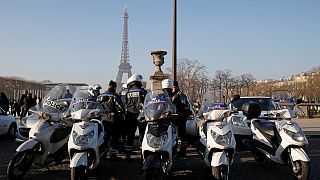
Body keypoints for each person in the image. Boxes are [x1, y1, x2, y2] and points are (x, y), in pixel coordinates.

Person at [98, 80, 124, 160]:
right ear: (115, 87)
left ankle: (103, 153)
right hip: (113, 119)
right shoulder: (115, 96)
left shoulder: (100, 96)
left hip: (103, 118)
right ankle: (113, 155)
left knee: (105, 137)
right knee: (114, 137)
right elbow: (120, 108)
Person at [123, 74, 146, 160]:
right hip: (141, 116)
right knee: (142, 134)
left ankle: (127, 155)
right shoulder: (143, 92)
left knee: (130, 135)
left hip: (130, 116)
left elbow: (124, 105)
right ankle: (143, 154)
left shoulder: (127, 93)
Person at [171, 80, 192, 156]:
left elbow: (186, 106)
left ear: (176, 87)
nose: (172, 89)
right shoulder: (170, 95)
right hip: (173, 118)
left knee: (180, 134)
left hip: (180, 118)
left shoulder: (181, 95)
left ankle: (182, 151)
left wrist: (180, 112)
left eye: (173, 87)